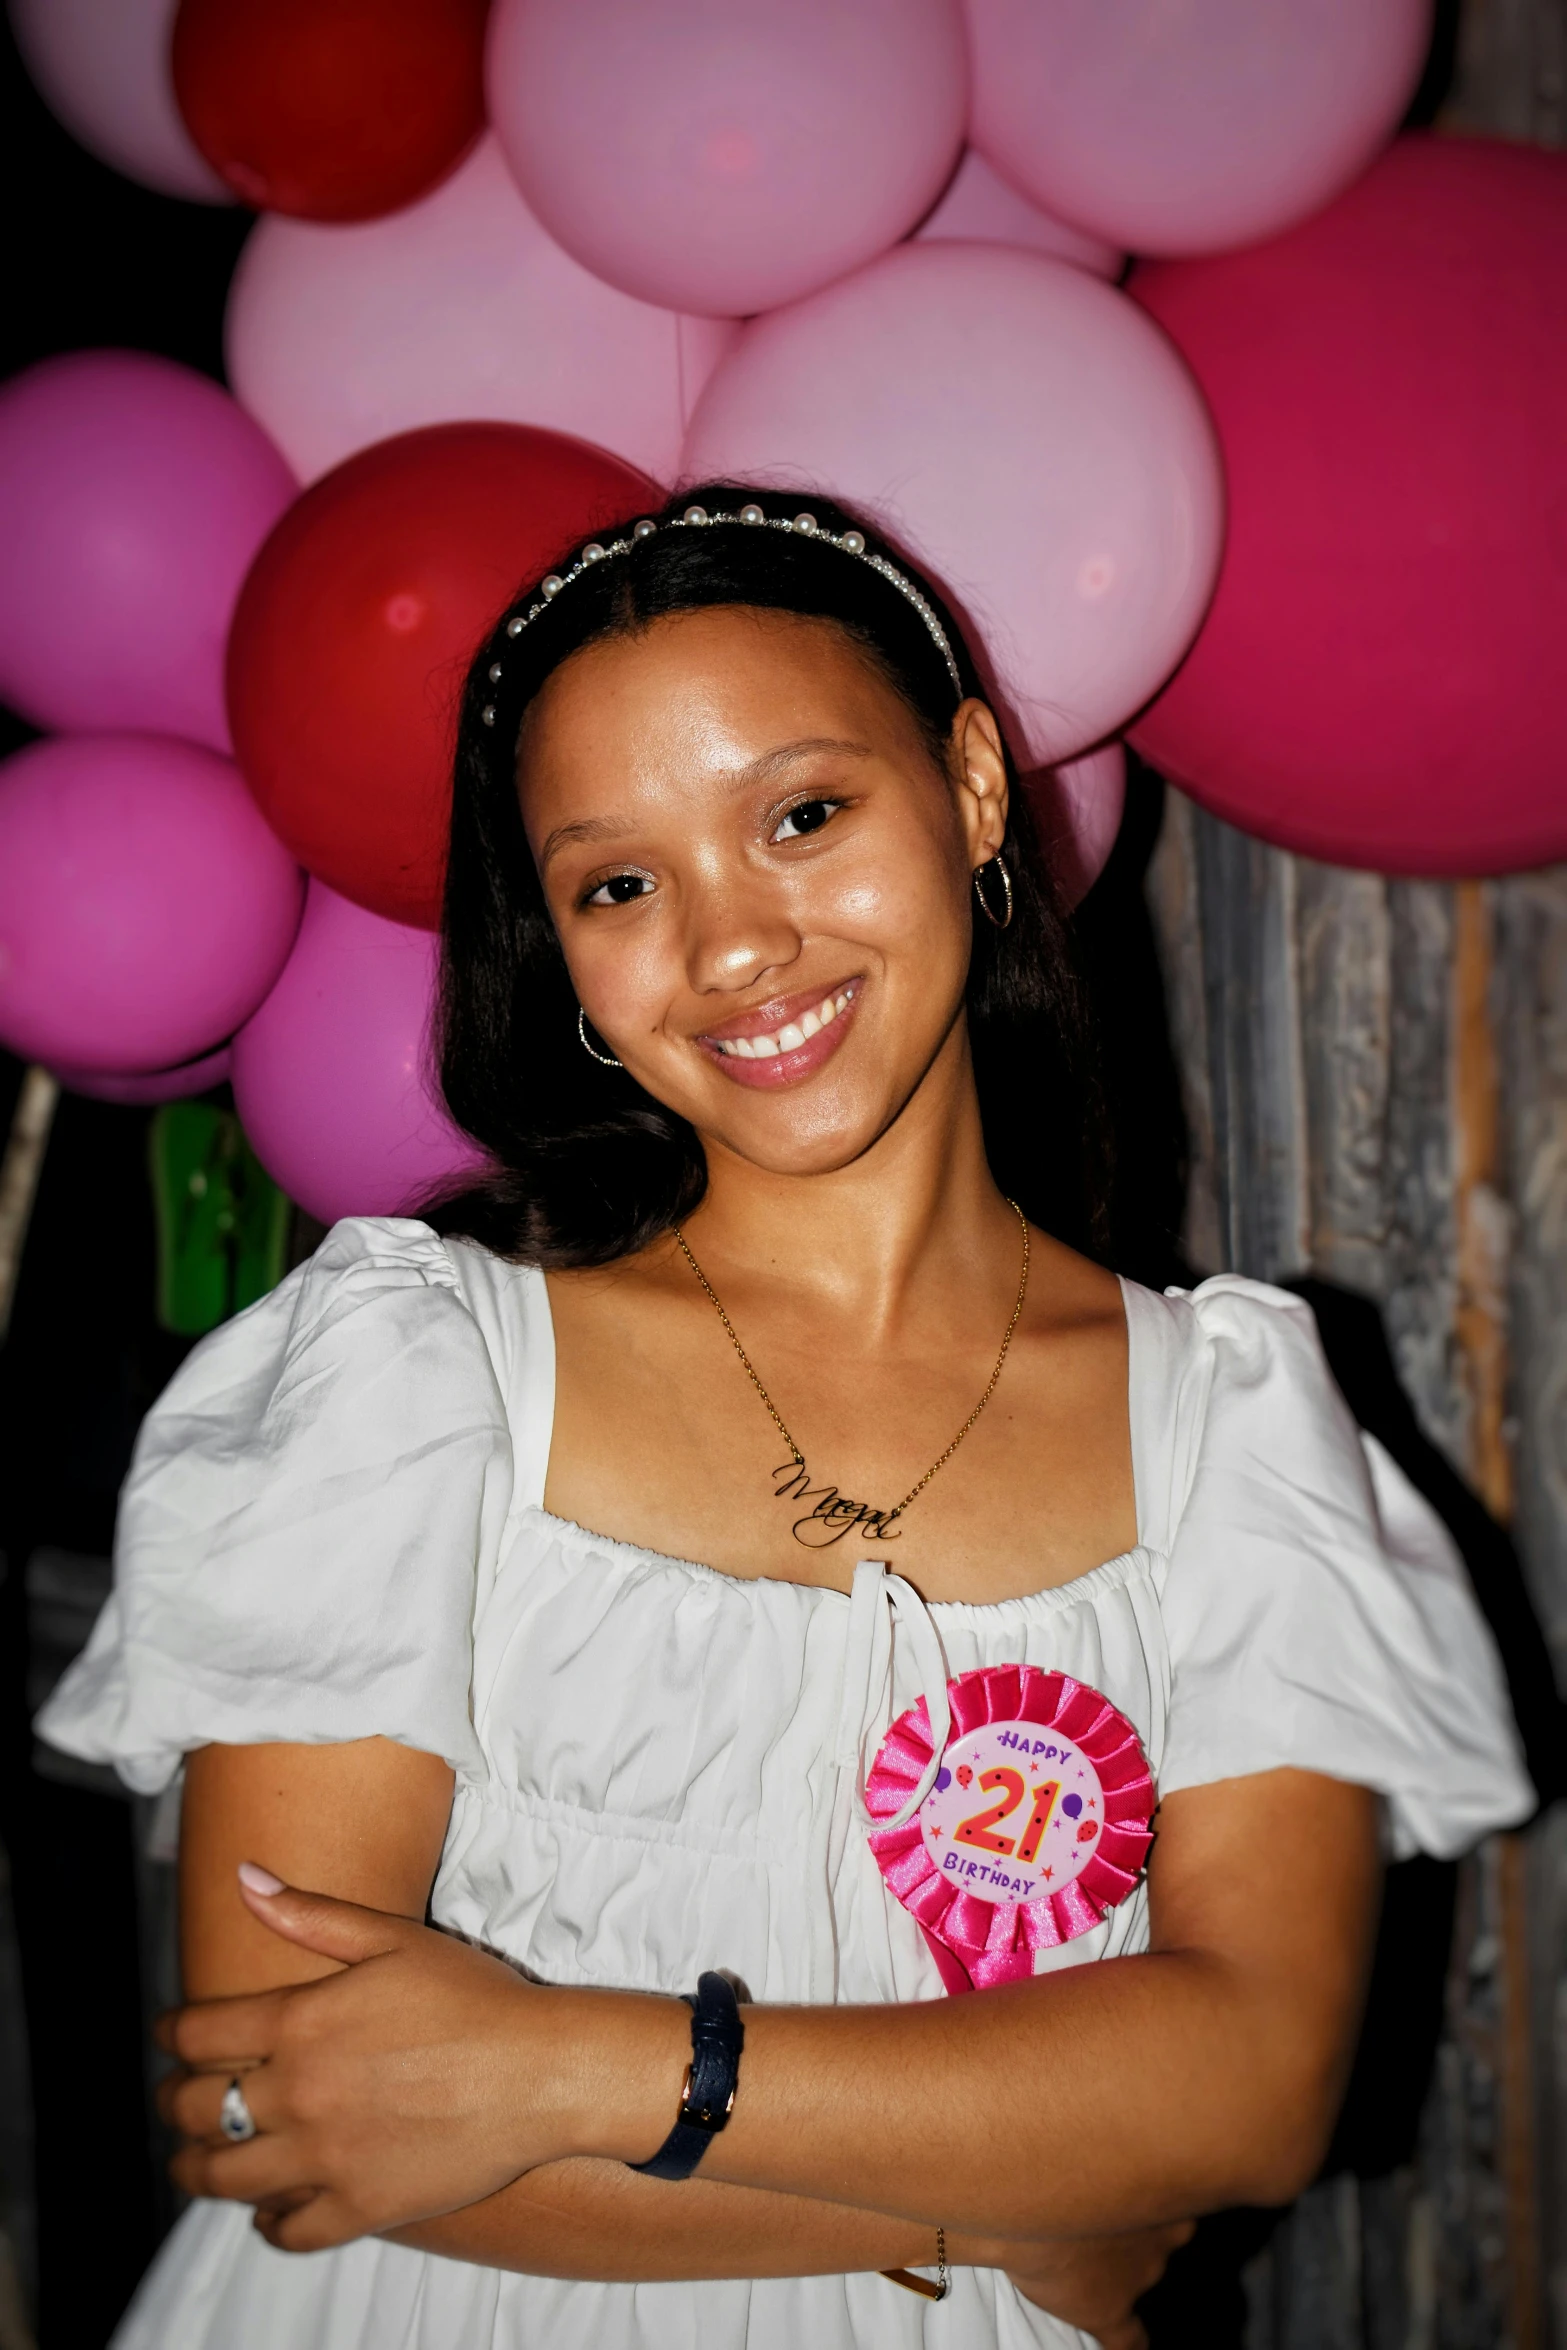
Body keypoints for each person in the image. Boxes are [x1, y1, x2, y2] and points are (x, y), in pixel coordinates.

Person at [41, 485, 1531, 2350]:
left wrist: (571, 2068)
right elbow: (293, 2117)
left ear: (974, 789)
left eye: (802, 814)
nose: (732, 944)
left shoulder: (1228, 1421)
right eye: (618, 882)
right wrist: (971, 2213)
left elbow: (1244, 2082)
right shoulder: (415, 1375)